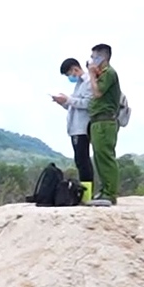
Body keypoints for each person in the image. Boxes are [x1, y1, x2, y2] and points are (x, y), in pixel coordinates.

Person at [86, 44, 123, 207]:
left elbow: (97, 92)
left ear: (103, 57)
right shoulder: (102, 74)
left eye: (94, 57)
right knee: (99, 157)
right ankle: (104, 189)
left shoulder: (109, 73)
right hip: (97, 121)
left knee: (106, 156)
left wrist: (92, 75)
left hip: (105, 121)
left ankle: (110, 192)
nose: (92, 60)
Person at [51, 57, 94, 195]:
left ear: (75, 69)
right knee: (80, 160)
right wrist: (63, 102)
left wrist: (68, 99)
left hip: (82, 128)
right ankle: (84, 192)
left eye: (69, 74)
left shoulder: (88, 82)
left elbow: (87, 104)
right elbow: (74, 106)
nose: (70, 77)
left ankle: (87, 193)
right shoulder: (79, 84)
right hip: (75, 127)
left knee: (83, 161)